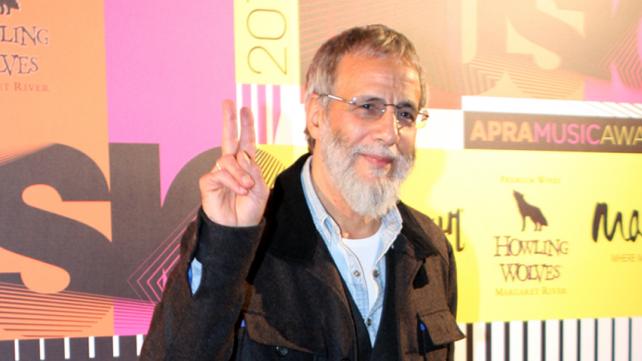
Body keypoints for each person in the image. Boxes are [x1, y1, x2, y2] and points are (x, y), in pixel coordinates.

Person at [140, 24, 464, 361]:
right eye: (369, 107)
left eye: (405, 114)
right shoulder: (245, 239)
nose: (389, 132)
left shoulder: (431, 248)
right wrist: (225, 242)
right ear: (316, 115)